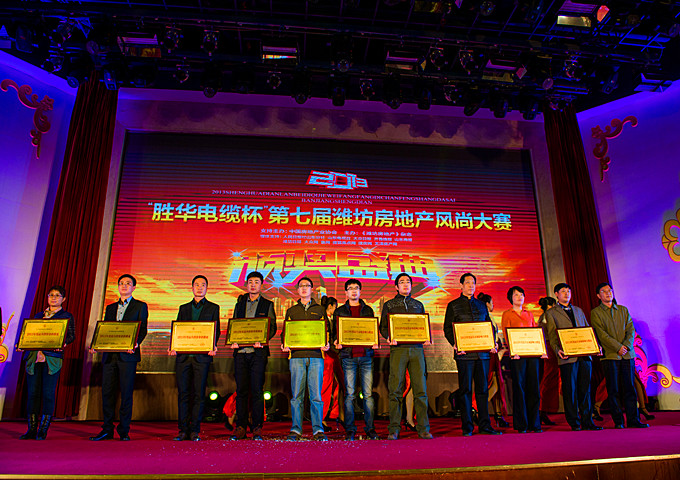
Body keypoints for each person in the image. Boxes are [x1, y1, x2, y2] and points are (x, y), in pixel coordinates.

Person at [90, 274, 148, 441]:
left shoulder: (140, 306)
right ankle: (107, 429)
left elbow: (143, 328)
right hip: (110, 357)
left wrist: (135, 343)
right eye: (121, 283)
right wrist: (97, 344)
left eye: (128, 283)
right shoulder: (110, 307)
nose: (124, 286)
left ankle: (124, 431)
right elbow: (106, 330)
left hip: (128, 356)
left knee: (126, 393)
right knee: (107, 393)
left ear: (134, 287)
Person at [444, 272, 502, 437]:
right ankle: (467, 427)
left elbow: (488, 326)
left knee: (483, 389)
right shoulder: (453, 305)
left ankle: (485, 425)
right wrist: (455, 344)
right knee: (466, 390)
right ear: (461, 286)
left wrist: (493, 342)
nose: (471, 286)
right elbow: (448, 328)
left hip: (482, 355)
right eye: (468, 283)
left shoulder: (481, 305)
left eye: (473, 283)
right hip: (464, 354)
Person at [379, 273, 433, 440]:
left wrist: (426, 337)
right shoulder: (389, 305)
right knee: (395, 390)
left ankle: (423, 428)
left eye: (408, 282)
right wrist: (389, 337)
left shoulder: (418, 305)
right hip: (398, 349)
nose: (405, 284)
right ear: (396, 287)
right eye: (401, 282)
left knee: (420, 390)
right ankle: (394, 428)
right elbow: (383, 327)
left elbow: (423, 325)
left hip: (417, 349)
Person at [19, 285, 76, 440]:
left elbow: (71, 336)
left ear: (63, 299)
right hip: (34, 357)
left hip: (52, 359)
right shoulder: (38, 316)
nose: (54, 298)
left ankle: (43, 429)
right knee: (33, 393)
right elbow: (30, 334)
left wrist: (62, 343)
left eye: (57, 295)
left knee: (48, 393)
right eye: (51, 295)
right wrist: (22, 344)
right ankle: (31, 429)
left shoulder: (66, 316)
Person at [590, 283, 649, 429]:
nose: (608, 293)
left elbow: (630, 329)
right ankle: (618, 421)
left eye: (610, 290)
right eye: (604, 291)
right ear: (598, 296)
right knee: (613, 389)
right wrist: (618, 347)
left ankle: (633, 420)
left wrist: (626, 346)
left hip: (627, 355)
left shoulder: (623, 310)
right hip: (610, 355)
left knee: (630, 388)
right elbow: (601, 334)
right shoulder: (596, 312)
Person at [545, 282, 602, 431]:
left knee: (585, 389)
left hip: (584, 355)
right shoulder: (551, 313)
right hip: (567, 356)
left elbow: (587, 330)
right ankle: (574, 422)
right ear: (556, 294)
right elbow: (552, 336)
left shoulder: (578, 310)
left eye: (568, 291)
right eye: (563, 291)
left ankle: (588, 421)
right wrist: (557, 350)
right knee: (570, 390)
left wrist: (595, 346)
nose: (566, 294)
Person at [170, 275, 220, 441]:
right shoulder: (183, 308)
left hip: (202, 358)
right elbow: (178, 330)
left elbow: (216, 331)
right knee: (183, 394)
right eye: (196, 285)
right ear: (192, 288)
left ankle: (195, 430)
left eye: (203, 285)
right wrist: (173, 346)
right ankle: (182, 430)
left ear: (207, 288)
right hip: (183, 357)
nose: (199, 287)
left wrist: (212, 345)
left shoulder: (214, 307)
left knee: (199, 394)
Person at [281, 277, 330, 441]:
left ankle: (318, 430)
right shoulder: (291, 311)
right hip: (296, 356)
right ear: (297, 290)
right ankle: (296, 430)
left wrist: (327, 343)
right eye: (301, 286)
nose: (304, 288)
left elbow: (327, 331)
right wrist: (284, 343)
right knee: (297, 396)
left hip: (316, 356)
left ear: (312, 289)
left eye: (307, 286)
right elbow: (285, 332)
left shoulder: (320, 310)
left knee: (316, 396)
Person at [230, 271, 277, 441]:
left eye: (256, 282)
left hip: (258, 353)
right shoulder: (239, 305)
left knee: (257, 391)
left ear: (261, 285)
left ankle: (257, 427)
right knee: (241, 391)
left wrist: (263, 340)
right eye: (250, 282)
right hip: (241, 353)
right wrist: (233, 340)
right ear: (246, 284)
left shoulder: (267, 304)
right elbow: (234, 325)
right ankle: (241, 427)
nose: (253, 285)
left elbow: (272, 327)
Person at [332, 279, 380, 440]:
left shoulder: (368, 310)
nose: (353, 291)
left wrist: (375, 341)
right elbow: (334, 333)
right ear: (345, 292)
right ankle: (350, 429)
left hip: (366, 356)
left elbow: (372, 330)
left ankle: (370, 428)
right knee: (350, 395)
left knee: (368, 395)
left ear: (360, 291)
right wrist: (336, 342)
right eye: (350, 288)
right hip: (348, 356)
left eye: (356, 288)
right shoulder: (339, 311)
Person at [501, 286, 542, 433]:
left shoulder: (529, 314)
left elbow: (535, 332)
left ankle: (535, 424)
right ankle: (521, 424)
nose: (519, 297)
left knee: (534, 388)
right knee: (519, 388)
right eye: (516, 295)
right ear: (510, 298)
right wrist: (513, 351)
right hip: (517, 356)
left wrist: (540, 350)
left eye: (521, 294)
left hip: (532, 355)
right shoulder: (507, 314)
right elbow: (506, 334)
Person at [476, 292, 509, 428]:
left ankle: (498, 415)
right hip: (488, 353)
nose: (493, 305)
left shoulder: (490, 316)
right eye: (492, 303)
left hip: (493, 353)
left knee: (496, 383)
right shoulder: (484, 317)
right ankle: (477, 409)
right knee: (492, 383)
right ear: (487, 304)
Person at [320, 295, 343, 432]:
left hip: (335, 355)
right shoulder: (322, 318)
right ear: (331, 306)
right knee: (326, 386)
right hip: (326, 356)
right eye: (335, 307)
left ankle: (336, 414)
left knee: (339, 384)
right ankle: (322, 418)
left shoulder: (334, 319)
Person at [537, 296, 558, 425]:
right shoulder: (546, 317)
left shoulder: (543, 316)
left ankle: (544, 410)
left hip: (551, 348)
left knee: (550, 379)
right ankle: (542, 410)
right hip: (549, 348)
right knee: (548, 379)